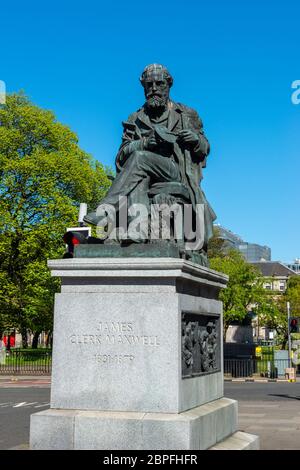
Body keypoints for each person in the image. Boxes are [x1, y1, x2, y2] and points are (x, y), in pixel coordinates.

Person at [84, 63, 215, 253]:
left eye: (159, 84)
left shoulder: (186, 114)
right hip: (143, 171)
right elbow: (121, 156)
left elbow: (205, 148)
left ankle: (105, 210)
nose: (154, 89)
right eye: (149, 85)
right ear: (143, 87)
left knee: (139, 159)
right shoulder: (135, 117)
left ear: (168, 85)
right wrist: (145, 143)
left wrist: (195, 139)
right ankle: (138, 230)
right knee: (139, 167)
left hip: (175, 172)